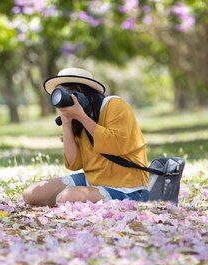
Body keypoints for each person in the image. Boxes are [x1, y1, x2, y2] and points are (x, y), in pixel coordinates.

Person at [23, 67, 149, 206]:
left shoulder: (114, 105)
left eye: (68, 93)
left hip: (127, 186)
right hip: (92, 180)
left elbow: (116, 144)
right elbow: (74, 163)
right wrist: (67, 123)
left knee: (65, 198)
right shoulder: (77, 121)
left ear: (83, 93)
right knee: (32, 194)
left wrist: (81, 116)